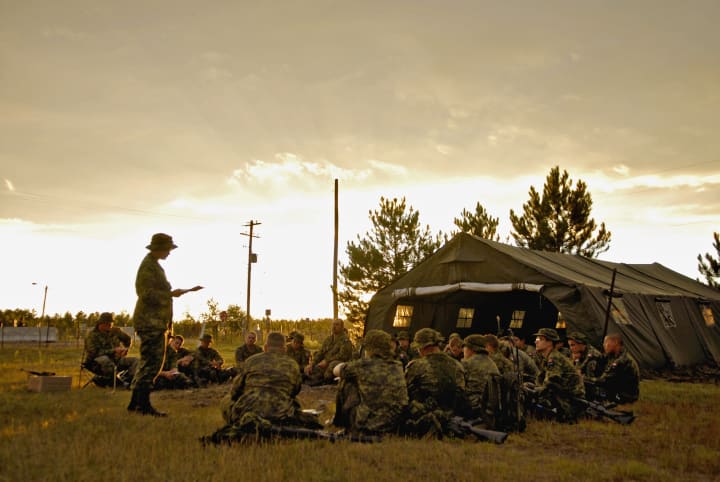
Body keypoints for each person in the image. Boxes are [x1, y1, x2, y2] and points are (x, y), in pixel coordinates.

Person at [128, 233, 203, 417]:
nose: (169, 252)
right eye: (168, 249)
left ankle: (135, 404)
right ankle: (143, 405)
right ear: (159, 248)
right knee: (151, 364)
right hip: (150, 323)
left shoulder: (153, 266)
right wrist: (170, 294)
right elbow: (146, 294)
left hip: (156, 323)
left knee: (149, 363)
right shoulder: (148, 267)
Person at [214, 332, 321, 438]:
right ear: (284, 349)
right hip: (281, 413)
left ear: (265, 347)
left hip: (248, 410)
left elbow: (235, 391)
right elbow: (295, 391)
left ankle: (247, 423)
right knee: (296, 402)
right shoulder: (292, 364)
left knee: (226, 400)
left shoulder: (251, 361)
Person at [332, 330, 408, 435]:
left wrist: (345, 367)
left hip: (369, 424)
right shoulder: (397, 365)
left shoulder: (364, 365)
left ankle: (343, 423)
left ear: (370, 348)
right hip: (395, 424)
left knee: (346, 380)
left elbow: (336, 370)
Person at [404, 328, 465, 437]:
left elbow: (404, 391)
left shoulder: (416, 366)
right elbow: (461, 392)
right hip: (453, 416)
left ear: (421, 347)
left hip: (424, 416)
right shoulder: (457, 365)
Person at [526, 328, 585, 423]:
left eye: (540, 339)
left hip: (569, 399)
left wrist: (536, 391)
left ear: (549, 342)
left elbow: (551, 381)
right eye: (537, 339)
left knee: (532, 395)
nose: (536, 341)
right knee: (528, 386)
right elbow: (541, 379)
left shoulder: (554, 358)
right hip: (562, 394)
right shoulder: (548, 357)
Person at [83, 312, 137, 388]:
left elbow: (128, 339)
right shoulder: (92, 335)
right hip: (95, 363)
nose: (110, 325)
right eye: (108, 324)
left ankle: (128, 381)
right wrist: (114, 351)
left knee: (135, 361)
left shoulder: (116, 331)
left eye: (111, 323)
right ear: (101, 324)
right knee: (105, 360)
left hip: (116, 360)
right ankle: (118, 384)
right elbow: (94, 353)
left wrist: (125, 350)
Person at [585, 333, 640, 405]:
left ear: (615, 343)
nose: (604, 345)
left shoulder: (622, 361)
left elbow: (604, 380)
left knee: (588, 389)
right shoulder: (613, 355)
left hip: (624, 395)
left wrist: (585, 379)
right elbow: (599, 359)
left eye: (606, 343)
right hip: (616, 389)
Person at [461, 334, 500, 428]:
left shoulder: (466, 364)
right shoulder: (493, 364)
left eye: (464, 347)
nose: (463, 350)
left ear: (471, 349)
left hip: (472, 409)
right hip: (490, 411)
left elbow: (458, 388)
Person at [304, 319, 354, 386]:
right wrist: (312, 364)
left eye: (337, 325)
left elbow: (343, 356)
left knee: (331, 366)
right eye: (333, 324)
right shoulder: (328, 339)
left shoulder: (345, 340)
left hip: (340, 363)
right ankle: (314, 379)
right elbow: (321, 353)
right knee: (312, 369)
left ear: (342, 327)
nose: (334, 327)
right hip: (325, 363)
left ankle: (326, 381)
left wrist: (327, 361)